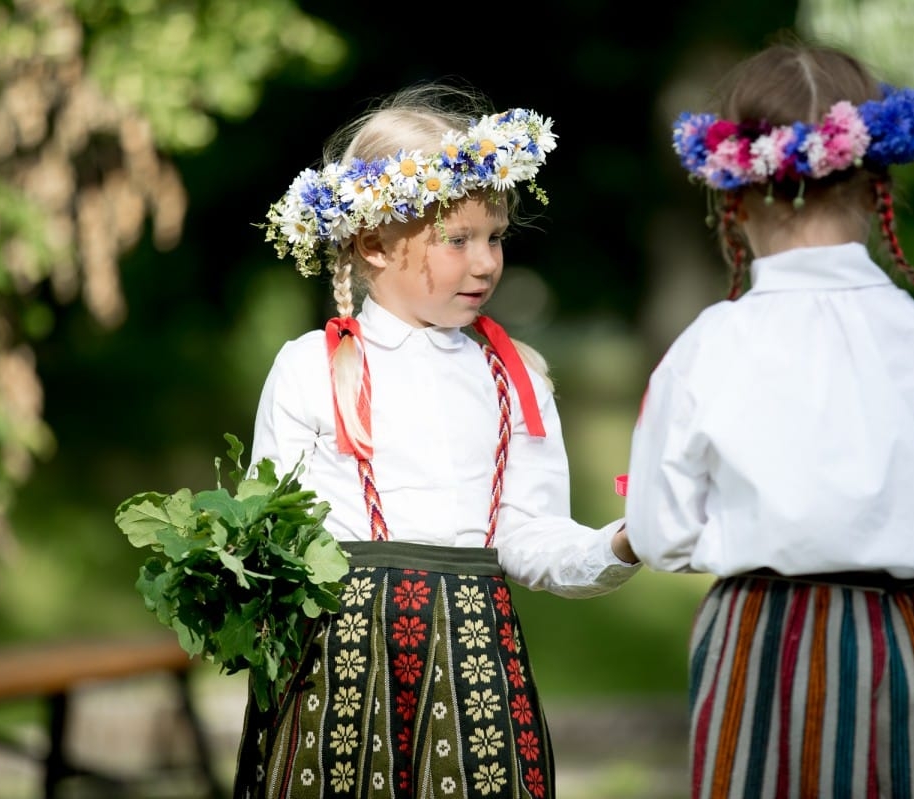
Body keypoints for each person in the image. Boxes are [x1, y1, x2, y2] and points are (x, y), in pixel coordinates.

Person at [622, 37, 914, 798]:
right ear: (878, 187)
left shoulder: (710, 345)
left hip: (764, 643)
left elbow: (659, 527)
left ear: (732, 203)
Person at [233, 82, 641, 799]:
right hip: (337, 663)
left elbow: (531, 537)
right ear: (372, 244)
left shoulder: (515, 380)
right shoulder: (310, 366)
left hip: (476, 661)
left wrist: (623, 542)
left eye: (494, 238)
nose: (485, 262)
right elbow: (268, 533)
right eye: (457, 240)